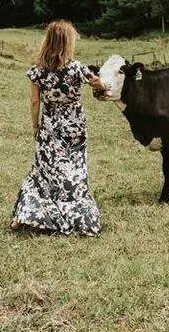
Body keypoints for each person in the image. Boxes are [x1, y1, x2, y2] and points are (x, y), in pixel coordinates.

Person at [10, 19, 106, 235]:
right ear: (67, 43)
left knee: (42, 172)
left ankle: (25, 216)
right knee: (75, 172)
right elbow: (97, 82)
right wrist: (104, 86)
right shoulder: (77, 68)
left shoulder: (37, 70)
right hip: (74, 127)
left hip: (50, 125)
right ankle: (78, 217)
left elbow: (35, 102)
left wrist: (35, 126)